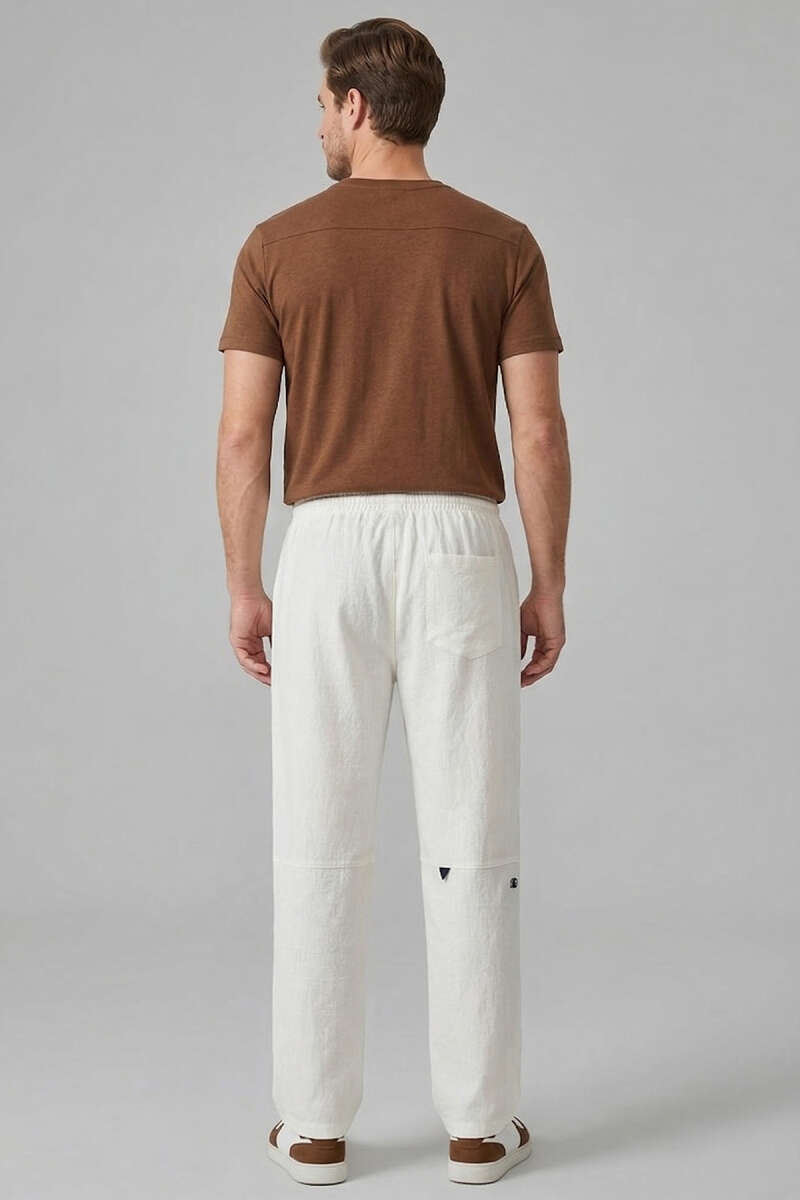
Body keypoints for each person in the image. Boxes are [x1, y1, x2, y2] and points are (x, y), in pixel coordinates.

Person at [215, 17, 570, 1187]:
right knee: (472, 834)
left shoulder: (275, 244)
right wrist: (547, 578)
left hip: (324, 544)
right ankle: (478, 1124)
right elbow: (535, 430)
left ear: (357, 107)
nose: (316, 122)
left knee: (318, 834)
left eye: (322, 104)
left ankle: (314, 1124)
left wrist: (245, 580)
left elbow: (242, 436)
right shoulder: (501, 243)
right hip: (461, 544)